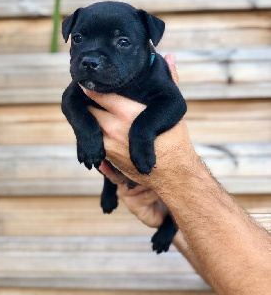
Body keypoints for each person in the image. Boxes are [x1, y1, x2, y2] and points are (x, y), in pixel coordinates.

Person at [81, 54, 271, 295]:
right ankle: (113, 188)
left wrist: (173, 170)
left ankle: (168, 221)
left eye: (122, 43)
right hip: (126, 173)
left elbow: (174, 104)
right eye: (78, 38)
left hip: (152, 157)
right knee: (108, 164)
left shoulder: (152, 70)